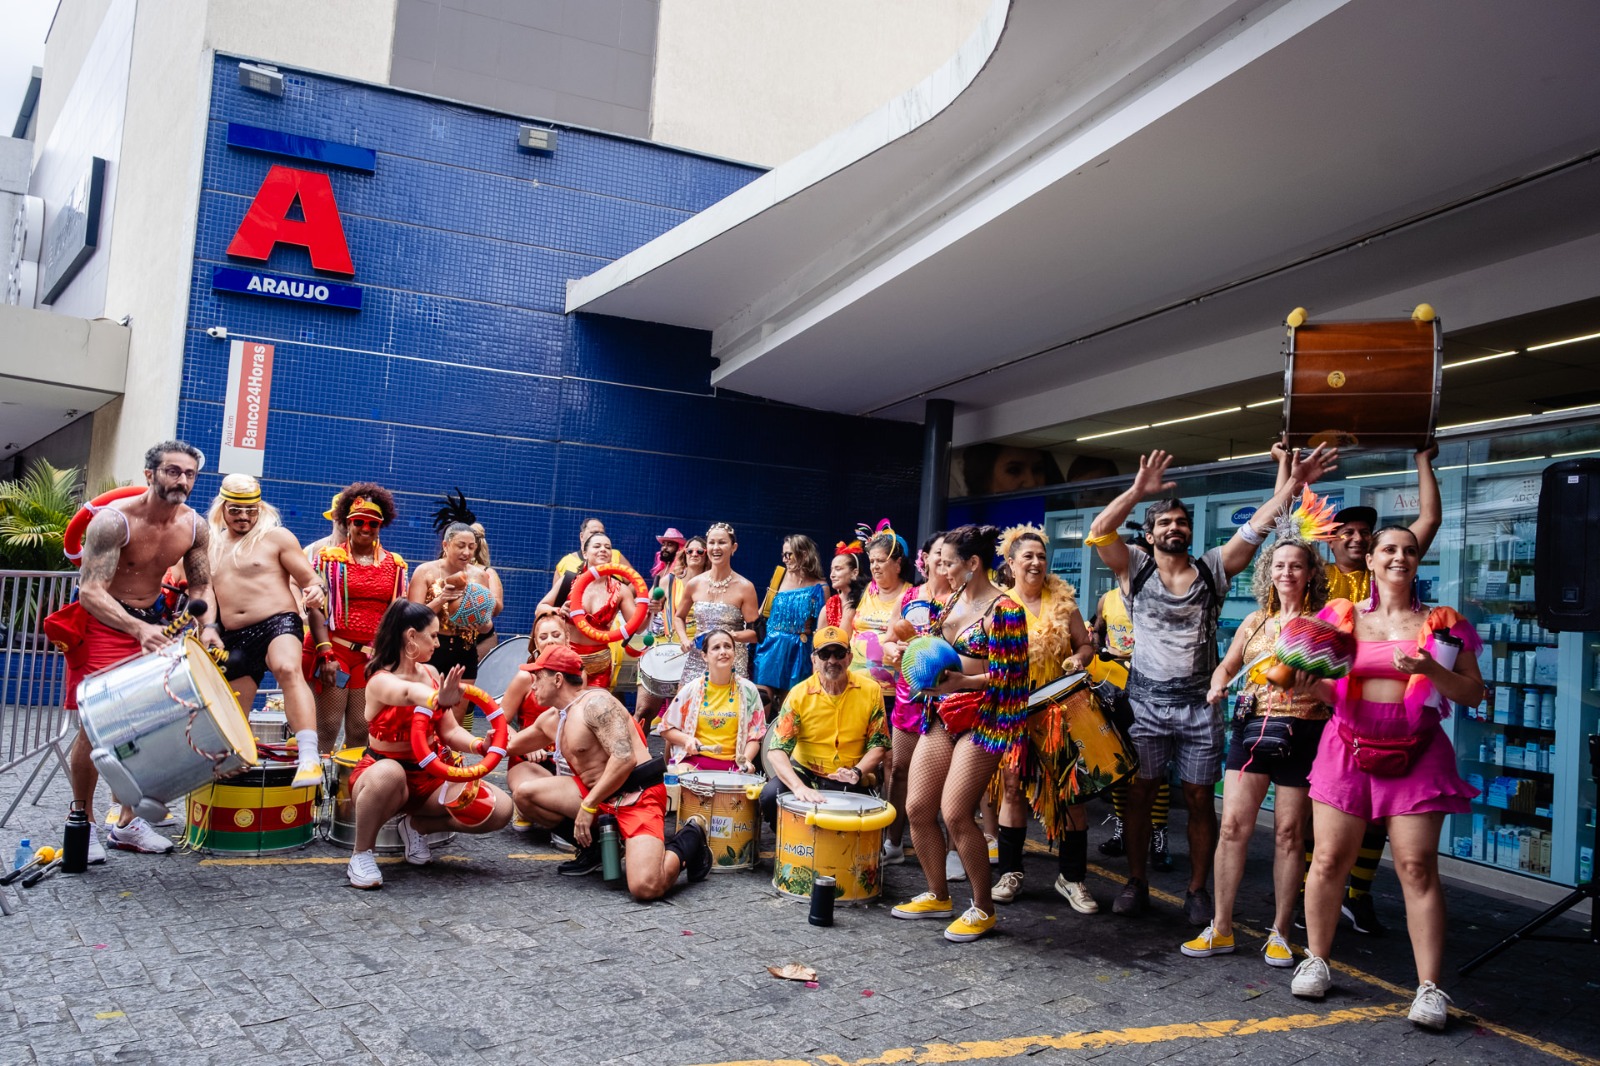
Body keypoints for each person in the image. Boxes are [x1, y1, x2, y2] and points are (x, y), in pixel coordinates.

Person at [1085, 446, 1336, 922]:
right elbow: (1100, 531)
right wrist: (1137, 490)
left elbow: (1259, 524)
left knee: (1201, 799)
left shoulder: (1213, 567)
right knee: (1141, 795)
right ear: (1150, 534)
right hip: (1145, 705)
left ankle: (1198, 890)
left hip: (1201, 706)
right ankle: (1136, 882)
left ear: (1190, 531)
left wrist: (1292, 482)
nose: (1174, 528)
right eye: (1165, 523)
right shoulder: (1134, 567)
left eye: (1181, 522)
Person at [1291, 527, 1483, 1031]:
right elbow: (1328, 692)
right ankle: (1316, 960)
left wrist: (1430, 669)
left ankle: (1429, 988)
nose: (1401, 557)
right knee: (1328, 859)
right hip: (1346, 748)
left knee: (1417, 868)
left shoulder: (1443, 623)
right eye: (1390, 550)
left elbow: (1472, 693)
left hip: (1419, 753)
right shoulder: (1341, 617)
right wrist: (1310, 686)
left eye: (1410, 550)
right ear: (1371, 560)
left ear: (1418, 561)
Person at [45, 440, 221, 859]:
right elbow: (91, 591)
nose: (182, 480)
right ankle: (83, 822)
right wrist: (137, 628)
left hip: (153, 623)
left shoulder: (194, 526)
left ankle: (127, 823)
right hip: (106, 624)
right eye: (173, 471)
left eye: (189, 474)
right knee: (96, 728)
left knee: (145, 724)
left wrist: (209, 628)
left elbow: (201, 586)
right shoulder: (113, 522)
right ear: (150, 474)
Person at [1303, 442, 1441, 936]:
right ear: (1331, 541)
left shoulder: (1388, 570)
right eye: (1348, 532)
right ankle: (1314, 896)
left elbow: (1428, 520)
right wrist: (1293, 473)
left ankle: (1356, 896)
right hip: (1320, 707)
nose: (1358, 538)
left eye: (1366, 532)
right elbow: (1285, 541)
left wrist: (1422, 460)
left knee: (1379, 818)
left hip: (1379, 719)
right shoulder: (1317, 578)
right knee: (1322, 820)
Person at [1181, 533, 1332, 968]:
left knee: (1289, 833)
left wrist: (1311, 684)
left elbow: (1336, 684)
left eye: (1296, 565)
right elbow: (1228, 666)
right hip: (1251, 730)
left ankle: (1281, 932)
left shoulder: (1323, 624)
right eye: (1279, 565)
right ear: (1268, 572)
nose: (1287, 573)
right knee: (1231, 828)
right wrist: (1216, 684)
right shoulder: (1254, 621)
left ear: (1311, 574)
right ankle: (1221, 927)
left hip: (1305, 731)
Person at [892, 525, 1029, 943]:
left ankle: (983, 908)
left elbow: (1013, 677)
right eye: (939, 562)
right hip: (942, 714)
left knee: (955, 813)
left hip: (985, 719)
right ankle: (938, 895)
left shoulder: (1006, 609)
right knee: (918, 808)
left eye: (949, 563)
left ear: (973, 563)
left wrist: (962, 683)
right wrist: (910, 653)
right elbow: (937, 655)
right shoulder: (949, 601)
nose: (942, 569)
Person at [344, 601, 514, 888]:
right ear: (411, 636)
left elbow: (450, 731)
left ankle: (416, 826)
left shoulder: (432, 673)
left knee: (501, 809)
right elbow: (407, 693)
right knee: (390, 773)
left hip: (431, 777)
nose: (437, 643)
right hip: (385, 776)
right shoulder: (379, 680)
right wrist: (436, 698)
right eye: (433, 636)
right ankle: (361, 854)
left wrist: (479, 746)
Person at [526, 644, 713, 899]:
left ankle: (692, 836)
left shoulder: (597, 704)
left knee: (646, 887)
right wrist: (479, 743)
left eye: (537, 677)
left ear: (558, 679)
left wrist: (588, 805)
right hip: (600, 796)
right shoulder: (554, 718)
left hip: (636, 795)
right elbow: (510, 745)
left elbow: (624, 759)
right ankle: (595, 850)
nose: (533, 685)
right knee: (525, 795)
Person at [992, 526, 1099, 911]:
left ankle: (1072, 878)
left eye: (1041, 556)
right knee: (1012, 788)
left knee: (1071, 792)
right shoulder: (999, 605)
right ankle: (1010, 872)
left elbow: (1085, 644)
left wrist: (1078, 659)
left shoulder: (1064, 602)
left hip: (1060, 713)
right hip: (1014, 712)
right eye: (1028, 557)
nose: (1036, 562)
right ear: (1011, 563)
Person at [205, 474, 326, 789]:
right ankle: (234, 758)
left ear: (260, 508)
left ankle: (309, 756)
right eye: (236, 510)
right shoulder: (210, 545)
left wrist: (316, 590)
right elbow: (204, 593)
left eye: (251, 510)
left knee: (287, 668)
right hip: (233, 634)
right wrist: (207, 627)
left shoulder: (277, 538)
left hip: (277, 621)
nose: (243, 517)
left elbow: (310, 579)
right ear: (223, 508)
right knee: (235, 703)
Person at [305, 484, 408, 752]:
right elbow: (315, 609)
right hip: (335, 651)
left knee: (361, 728)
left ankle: (350, 780)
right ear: (348, 523)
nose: (366, 528)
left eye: (373, 523)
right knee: (327, 726)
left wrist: (390, 656)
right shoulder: (329, 560)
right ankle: (316, 779)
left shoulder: (396, 565)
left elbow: (397, 615)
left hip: (371, 656)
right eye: (359, 522)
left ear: (381, 526)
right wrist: (325, 653)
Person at [761, 626, 889, 827]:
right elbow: (776, 751)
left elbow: (879, 745)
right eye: (824, 654)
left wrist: (857, 772)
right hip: (806, 772)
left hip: (851, 775)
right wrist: (798, 787)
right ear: (814, 659)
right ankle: (787, 842)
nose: (832, 661)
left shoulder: (871, 691)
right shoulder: (799, 694)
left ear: (849, 657)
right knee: (770, 796)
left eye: (839, 654)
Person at [878, 532, 950, 863]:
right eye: (939, 553)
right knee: (899, 770)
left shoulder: (962, 599)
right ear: (925, 558)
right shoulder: (909, 596)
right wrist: (893, 650)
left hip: (949, 696)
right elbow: (888, 639)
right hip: (910, 694)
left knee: (948, 778)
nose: (944, 559)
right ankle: (893, 842)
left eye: (950, 554)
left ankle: (952, 849)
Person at [409, 522, 503, 684]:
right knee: (426, 699)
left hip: (465, 649)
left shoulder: (480, 576)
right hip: (430, 647)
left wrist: (480, 622)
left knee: (461, 700)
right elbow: (412, 617)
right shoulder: (425, 571)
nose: (466, 552)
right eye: (461, 546)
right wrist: (441, 599)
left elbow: (486, 622)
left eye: (471, 547)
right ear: (445, 545)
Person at [659, 629, 765, 771]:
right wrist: (687, 739)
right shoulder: (691, 689)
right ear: (704, 656)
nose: (723, 651)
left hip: (733, 766)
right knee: (678, 775)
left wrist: (746, 760)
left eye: (727, 646)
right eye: (716, 648)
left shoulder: (748, 690)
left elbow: (755, 737)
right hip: (694, 762)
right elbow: (665, 728)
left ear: (734, 653)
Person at [538, 529, 630, 689]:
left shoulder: (621, 589)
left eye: (608, 547)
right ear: (585, 554)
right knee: (565, 703)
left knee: (594, 704)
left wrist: (650, 608)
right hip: (566, 659)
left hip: (599, 664)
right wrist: (558, 611)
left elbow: (638, 625)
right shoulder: (569, 580)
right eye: (597, 546)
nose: (603, 550)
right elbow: (540, 608)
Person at [676, 523, 760, 685]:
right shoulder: (694, 584)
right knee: (687, 700)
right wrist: (684, 639)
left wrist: (729, 636)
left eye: (722, 542)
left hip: (730, 659)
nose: (716, 547)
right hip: (699, 657)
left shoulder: (745, 587)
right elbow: (679, 617)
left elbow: (756, 634)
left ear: (733, 547)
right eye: (711, 542)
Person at [752, 535, 828, 707]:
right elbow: (762, 612)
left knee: (790, 705)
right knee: (761, 701)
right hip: (770, 646)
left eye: (789, 554)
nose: (785, 559)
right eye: (783, 555)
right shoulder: (779, 576)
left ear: (804, 554)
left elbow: (822, 627)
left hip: (799, 649)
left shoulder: (820, 587)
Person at [851, 525, 917, 702]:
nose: (875, 566)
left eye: (880, 561)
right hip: (854, 687)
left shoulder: (912, 596)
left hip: (891, 693)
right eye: (872, 561)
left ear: (898, 564)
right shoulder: (861, 591)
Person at [820, 543, 866, 631]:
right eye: (831, 570)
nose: (832, 575)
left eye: (838, 569)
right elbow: (820, 637)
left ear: (854, 573)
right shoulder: (831, 604)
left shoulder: (866, 599)